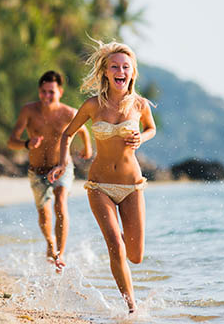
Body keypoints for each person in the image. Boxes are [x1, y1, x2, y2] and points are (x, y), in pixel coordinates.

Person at [48, 41, 156, 313]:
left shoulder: (140, 105)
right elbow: (67, 134)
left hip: (132, 186)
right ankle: (132, 308)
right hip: (100, 186)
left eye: (125, 67)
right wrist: (64, 161)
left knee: (136, 256)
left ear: (132, 73)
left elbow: (151, 129)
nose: (120, 71)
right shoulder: (93, 106)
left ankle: (118, 237)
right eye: (115, 66)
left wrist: (141, 138)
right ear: (106, 73)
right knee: (115, 246)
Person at [8, 70, 92, 270]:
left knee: (61, 203)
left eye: (51, 92)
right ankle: (50, 242)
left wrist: (87, 149)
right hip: (37, 170)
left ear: (60, 92)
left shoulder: (69, 113)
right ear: (39, 92)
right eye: (44, 92)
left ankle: (60, 255)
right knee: (44, 215)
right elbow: (11, 141)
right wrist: (28, 143)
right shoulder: (28, 111)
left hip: (62, 167)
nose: (47, 96)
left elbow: (83, 130)